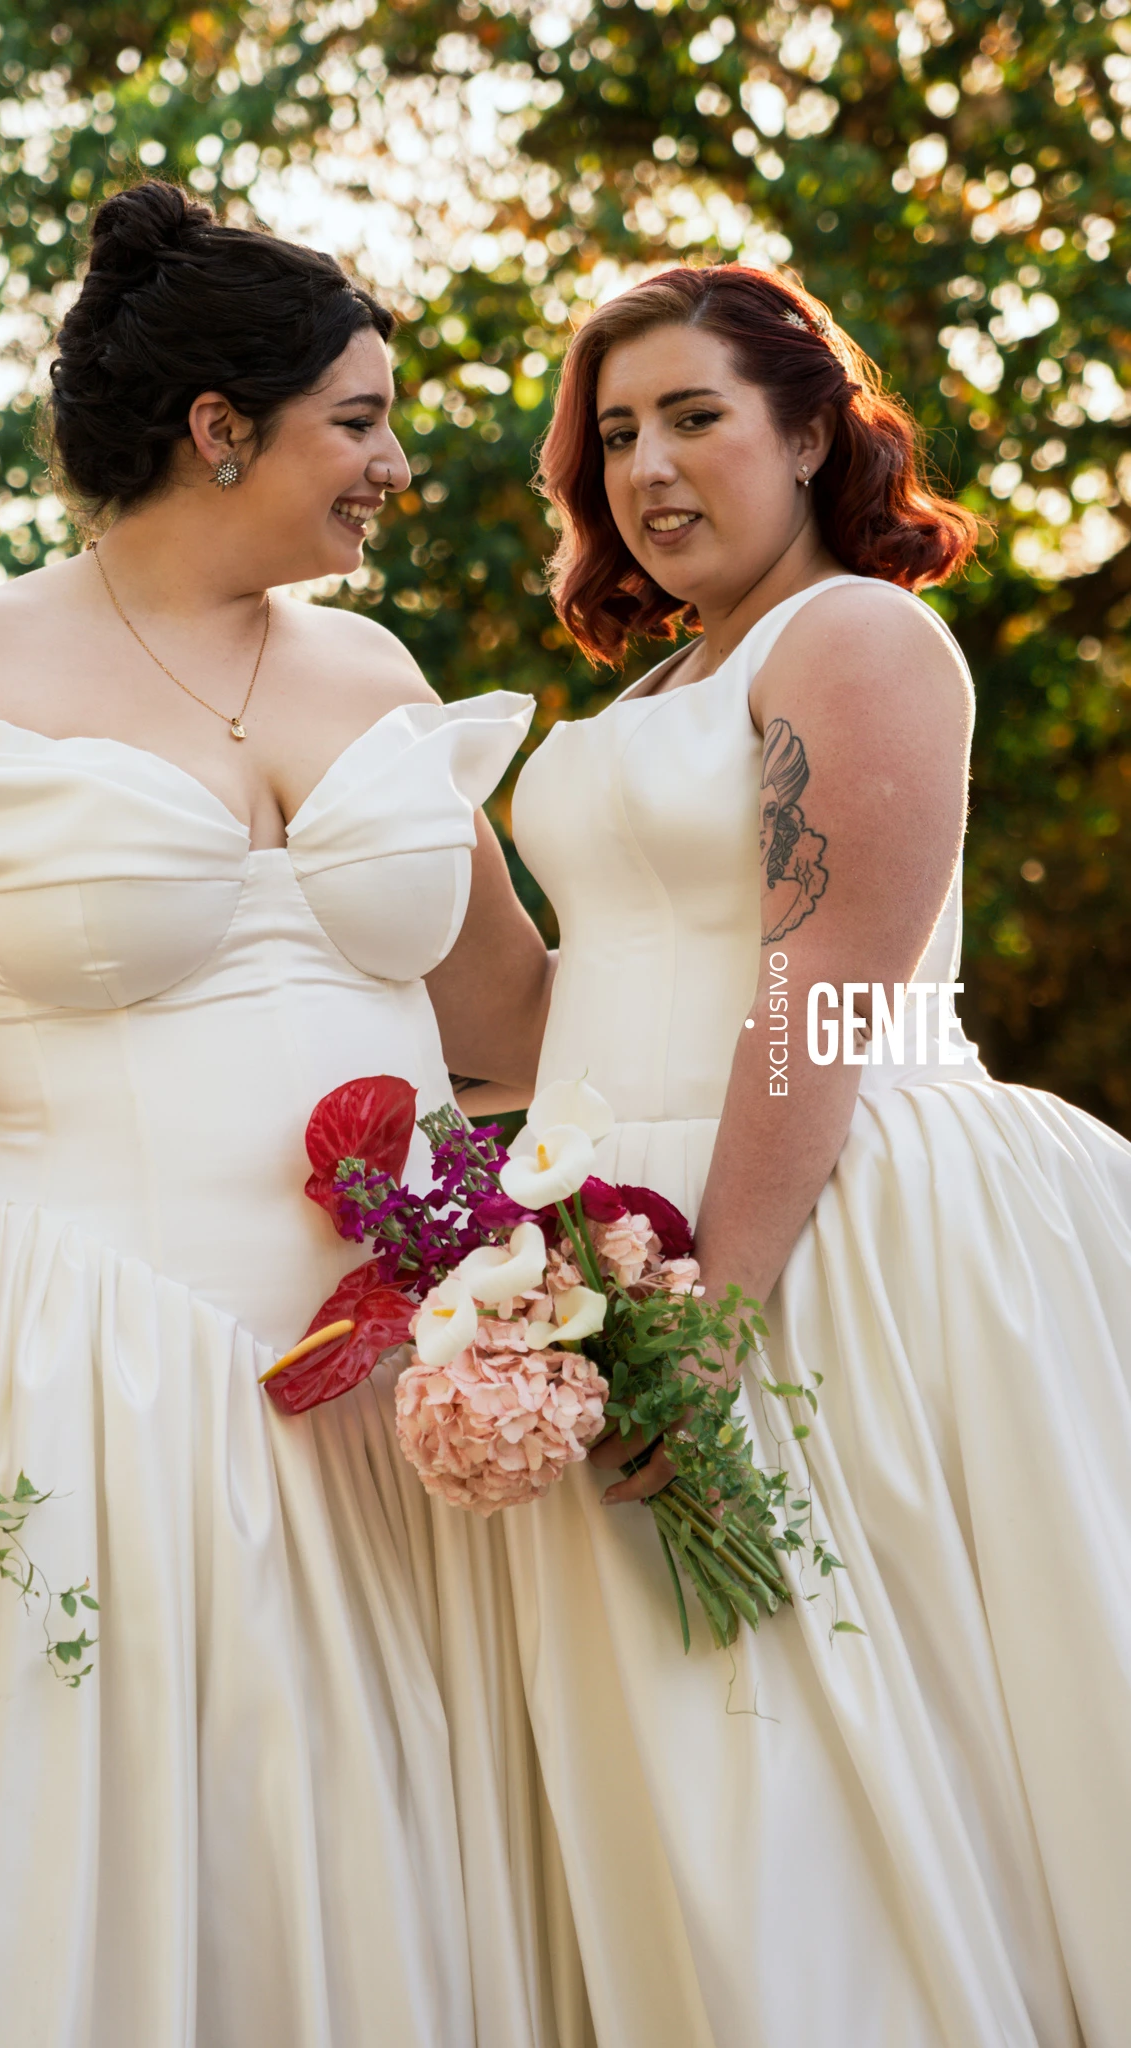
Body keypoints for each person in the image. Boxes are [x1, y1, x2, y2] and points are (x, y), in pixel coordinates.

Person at [0, 181, 582, 2048]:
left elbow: (516, 1022)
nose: (394, 466)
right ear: (222, 427)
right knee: (108, 1848)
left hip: (391, 1394)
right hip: (72, 1366)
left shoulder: (373, 673)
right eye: (358, 422)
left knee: (367, 1859)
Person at [494, 264, 1131, 2048]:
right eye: (616, 433)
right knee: (705, 1749)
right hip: (619, 1236)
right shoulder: (650, 694)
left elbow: (824, 993)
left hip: (821, 1220)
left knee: (854, 1721)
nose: (648, 466)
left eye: (695, 417)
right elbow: (562, 994)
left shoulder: (854, 638)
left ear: (805, 433)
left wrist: (715, 1306)